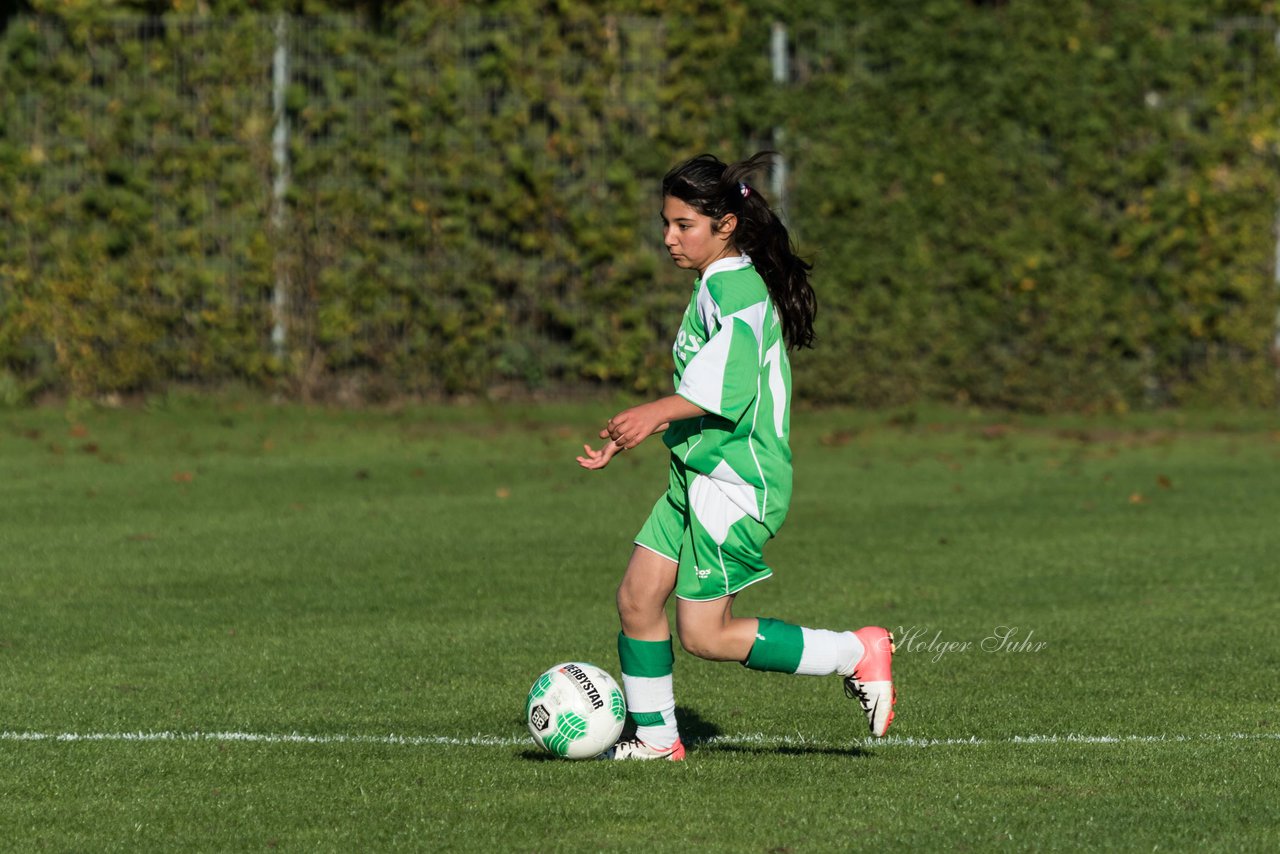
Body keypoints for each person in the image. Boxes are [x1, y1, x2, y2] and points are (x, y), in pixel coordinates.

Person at [577, 152, 896, 760]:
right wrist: (632, 435)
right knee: (638, 599)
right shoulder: (718, 280)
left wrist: (651, 414)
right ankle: (657, 739)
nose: (669, 238)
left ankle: (856, 652)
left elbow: (729, 386)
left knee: (705, 634)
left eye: (683, 226)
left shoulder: (737, 288)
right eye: (665, 224)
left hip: (735, 482)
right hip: (697, 473)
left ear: (724, 225)